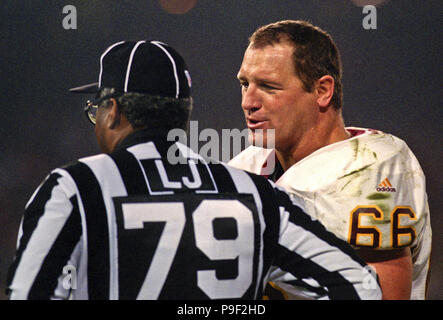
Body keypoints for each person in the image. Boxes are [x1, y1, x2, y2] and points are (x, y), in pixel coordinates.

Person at [6, 40, 381, 300]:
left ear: (113, 111)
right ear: (182, 114)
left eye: (96, 109)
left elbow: (29, 292)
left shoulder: (74, 188)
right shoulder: (255, 193)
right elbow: (359, 284)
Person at [229, 20, 431, 300]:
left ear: (323, 91)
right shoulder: (242, 170)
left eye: (268, 86)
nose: (248, 101)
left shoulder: (369, 168)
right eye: (244, 84)